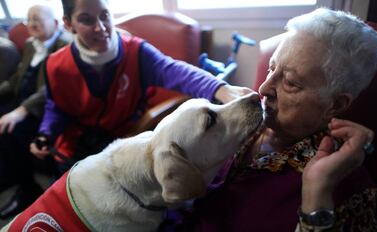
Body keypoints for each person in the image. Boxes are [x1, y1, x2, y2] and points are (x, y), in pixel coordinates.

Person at [163, 8, 377, 232]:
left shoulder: (345, 188)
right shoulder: (245, 121)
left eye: (290, 82)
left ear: (336, 104)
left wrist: (316, 195)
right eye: (272, 68)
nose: (264, 88)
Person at [30, 0, 250, 176]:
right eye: (86, 20)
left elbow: (176, 70)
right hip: (74, 149)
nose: (101, 27)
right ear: (68, 24)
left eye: (104, 16)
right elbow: (56, 107)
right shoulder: (55, 65)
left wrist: (220, 89)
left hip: (124, 143)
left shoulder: (136, 51)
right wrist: (46, 133)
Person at [0, 4, 71, 219]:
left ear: (56, 23)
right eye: (29, 19)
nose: (32, 24)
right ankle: (7, 174)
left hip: (45, 109)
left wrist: (21, 110)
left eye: (38, 19)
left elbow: (50, 88)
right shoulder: (31, 45)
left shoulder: (65, 45)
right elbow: (16, 80)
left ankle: (28, 188)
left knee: (11, 130)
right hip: (21, 100)